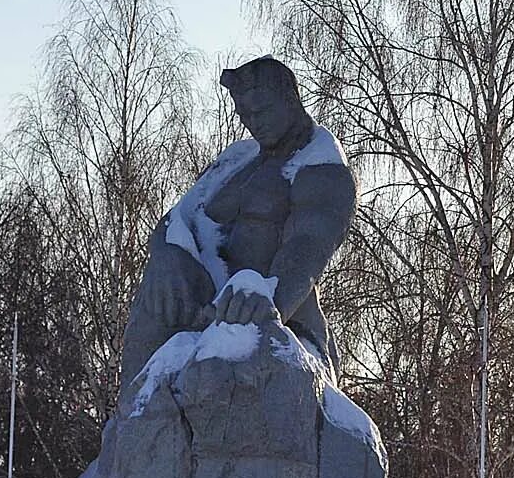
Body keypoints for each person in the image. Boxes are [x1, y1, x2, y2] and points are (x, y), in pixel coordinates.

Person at [118, 56, 355, 400]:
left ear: (290, 99)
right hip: (196, 305)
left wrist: (267, 297)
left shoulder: (322, 166)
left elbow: (307, 245)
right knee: (157, 296)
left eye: (261, 112)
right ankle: (130, 428)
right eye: (244, 115)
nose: (253, 123)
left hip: (266, 313)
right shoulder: (236, 158)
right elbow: (179, 217)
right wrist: (165, 254)